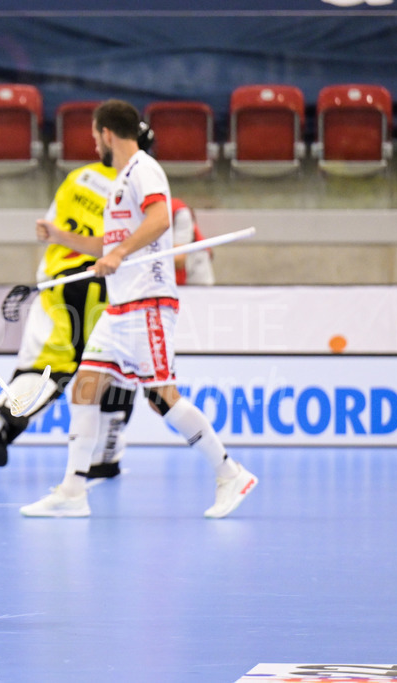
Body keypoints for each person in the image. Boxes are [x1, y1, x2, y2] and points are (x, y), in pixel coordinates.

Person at [19, 99, 257, 519]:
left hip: (147, 303)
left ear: (107, 134)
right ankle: (73, 491)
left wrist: (122, 251)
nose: (95, 145)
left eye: (95, 137)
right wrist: (60, 235)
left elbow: (161, 219)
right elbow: (107, 248)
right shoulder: (120, 181)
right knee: (85, 387)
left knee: (163, 399)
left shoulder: (144, 169)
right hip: (119, 307)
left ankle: (230, 473)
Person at [0, 125, 161, 475]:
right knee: (116, 368)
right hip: (103, 286)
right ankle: (105, 456)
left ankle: (6, 413)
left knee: (47, 364)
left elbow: (45, 229)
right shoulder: (140, 184)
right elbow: (135, 242)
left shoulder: (79, 177)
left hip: (57, 281)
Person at [171, 198, 215, 285]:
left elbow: (179, 259)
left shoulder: (179, 211)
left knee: (202, 296)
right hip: (163, 271)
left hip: (194, 261)